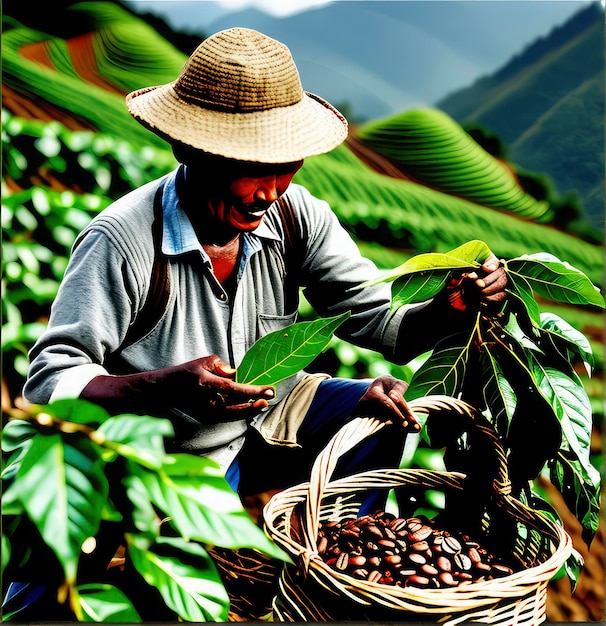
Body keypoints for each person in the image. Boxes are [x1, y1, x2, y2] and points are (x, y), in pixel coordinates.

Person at [23, 27, 507, 509]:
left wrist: (448, 308)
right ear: (191, 151)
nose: (271, 190)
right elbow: (49, 384)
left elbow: (385, 326)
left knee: (378, 416)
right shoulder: (123, 241)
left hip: (269, 420)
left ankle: (343, 567)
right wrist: (165, 386)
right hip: (170, 456)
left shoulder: (296, 216)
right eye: (252, 166)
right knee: (54, 579)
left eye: (288, 164)